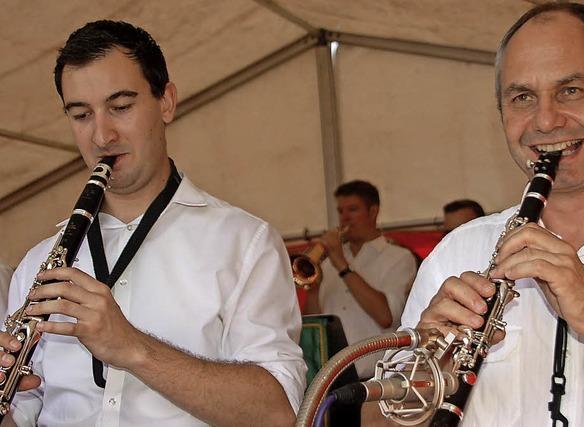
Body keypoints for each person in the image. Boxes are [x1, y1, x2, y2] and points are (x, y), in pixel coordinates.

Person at [0, 20, 305, 427]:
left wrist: (132, 348)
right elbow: (23, 413)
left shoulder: (245, 243)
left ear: (166, 102)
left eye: (121, 107)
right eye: (81, 114)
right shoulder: (38, 264)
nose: (102, 136)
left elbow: (277, 412)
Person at [401, 3, 584, 426]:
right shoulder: (458, 252)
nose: (546, 121)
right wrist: (426, 380)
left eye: (571, 90)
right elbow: (385, 419)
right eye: (522, 97)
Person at [302, 180, 416, 379]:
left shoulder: (399, 257)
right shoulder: (328, 262)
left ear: (373, 212)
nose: (344, 218)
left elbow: (385, 316)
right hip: (331, 378)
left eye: (353, 210)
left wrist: (341, 264)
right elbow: (313, 323)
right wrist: (313, 288)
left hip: (376, 379)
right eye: (341, 211)